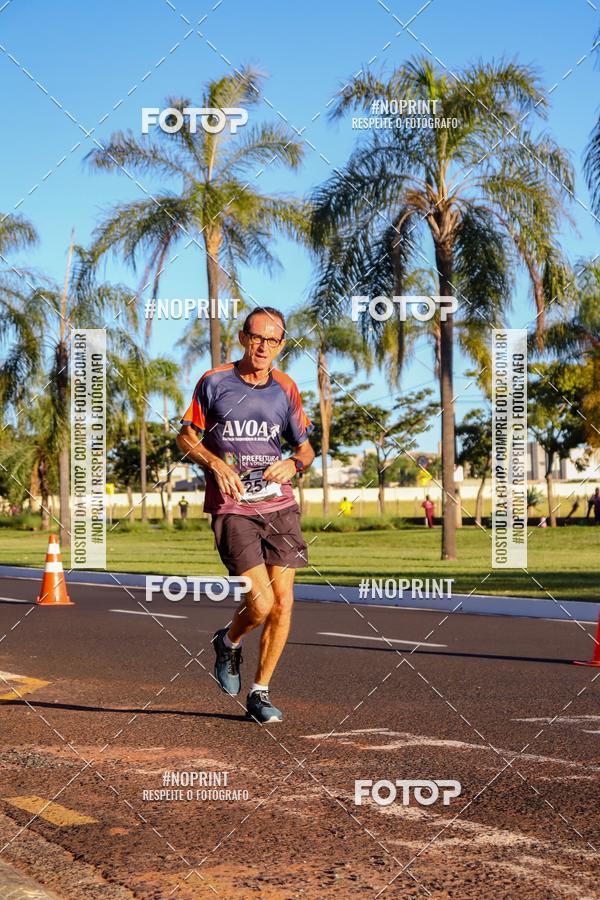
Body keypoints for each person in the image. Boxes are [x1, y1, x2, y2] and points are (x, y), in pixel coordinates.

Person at [177, 307, 315, 724]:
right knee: (261, 601)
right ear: (242, 337)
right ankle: (228, 640)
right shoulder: (214, 381)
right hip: (233, 505)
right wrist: (214, 464)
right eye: (256, 337)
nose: (263, 346)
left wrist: (295, 464)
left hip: (279, 504)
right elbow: (186, 436)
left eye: (272, 340)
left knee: (284, 603)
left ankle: (260, 692)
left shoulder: (285, 388)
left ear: (281, 345)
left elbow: (306, 447)